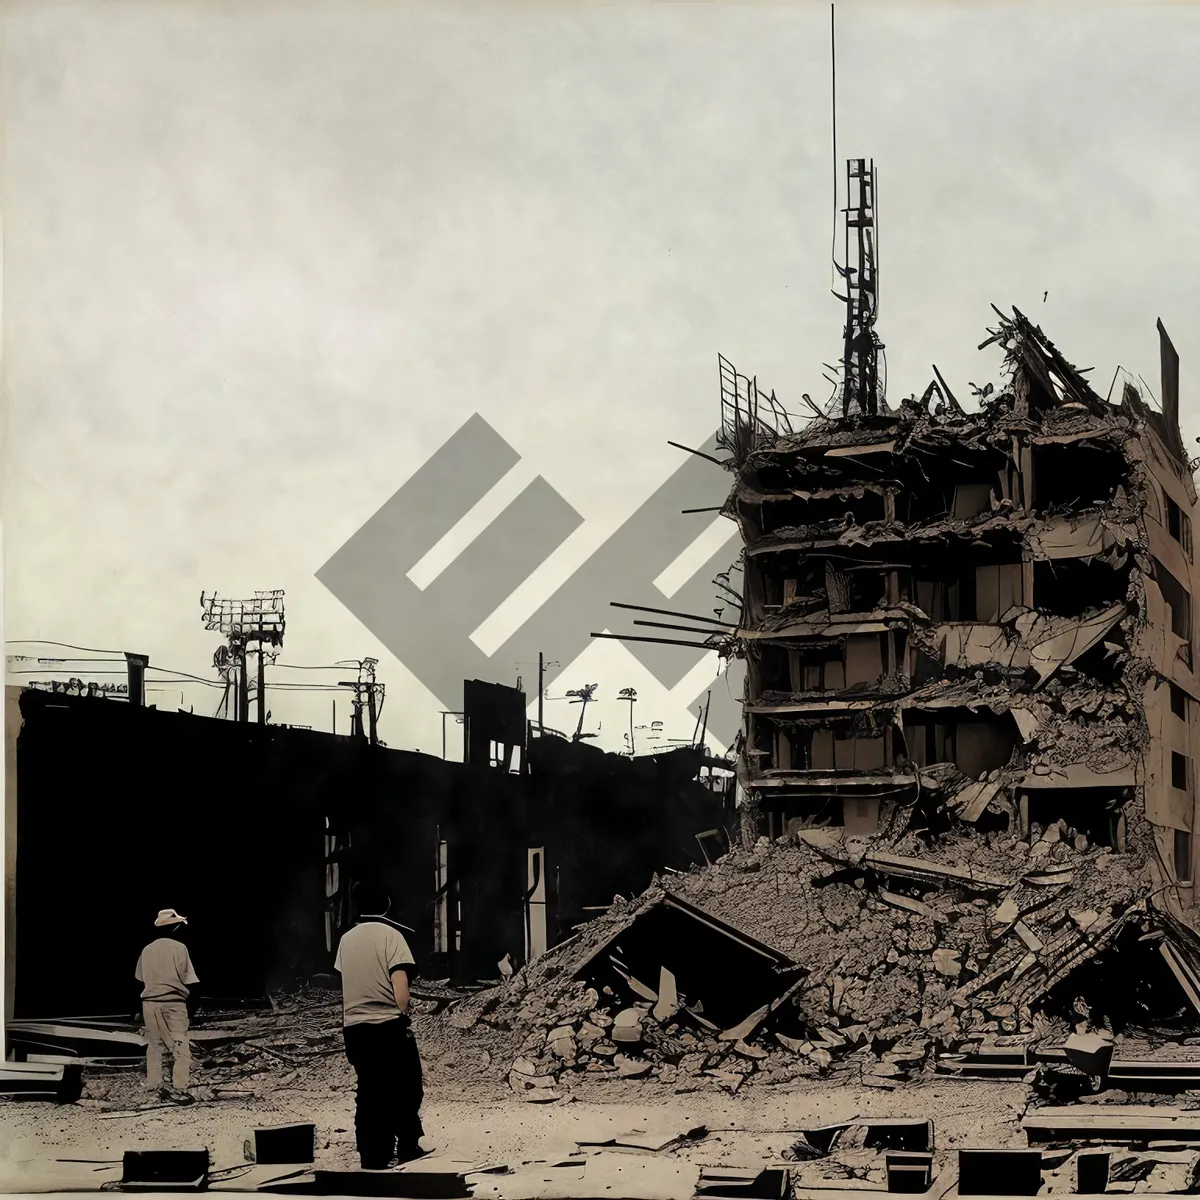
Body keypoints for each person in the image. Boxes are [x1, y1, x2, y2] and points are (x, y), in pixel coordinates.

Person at [334, 884, 425, 1171]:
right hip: (387, 1026)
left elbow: (346, 978)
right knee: (407, 1086)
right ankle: (408, 1146)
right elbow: (400, 986)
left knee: (370, 1090)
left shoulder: (346, 940)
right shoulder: (392, 935)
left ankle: (372, 1155)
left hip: (355, 1029)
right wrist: (406, 1010)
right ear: (387, 905)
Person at [135, 908, 199, 1105]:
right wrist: (194, 1007)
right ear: (174, 928)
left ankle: (153, 1087)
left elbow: (139, 979)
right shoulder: (179, 948)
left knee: (154, 1045)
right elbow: (189, 979)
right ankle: (180, 1087)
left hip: (150, 1004)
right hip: (173, 1002)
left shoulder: (146, 950)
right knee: (180, 1043)